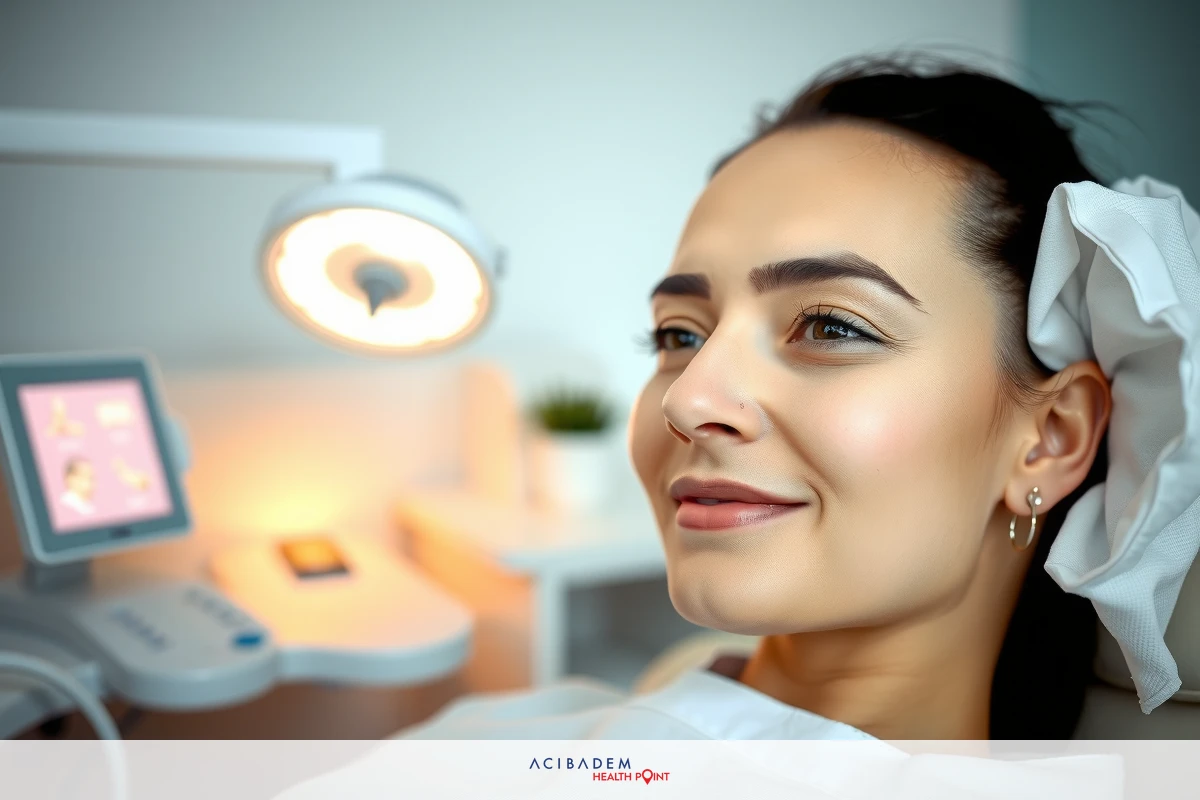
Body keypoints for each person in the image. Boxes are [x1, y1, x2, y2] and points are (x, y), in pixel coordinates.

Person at [294, 56, 1199, 758]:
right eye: (679, 334)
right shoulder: (550, 733)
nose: (689, 400)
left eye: (833, 326)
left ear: (1049, 437)